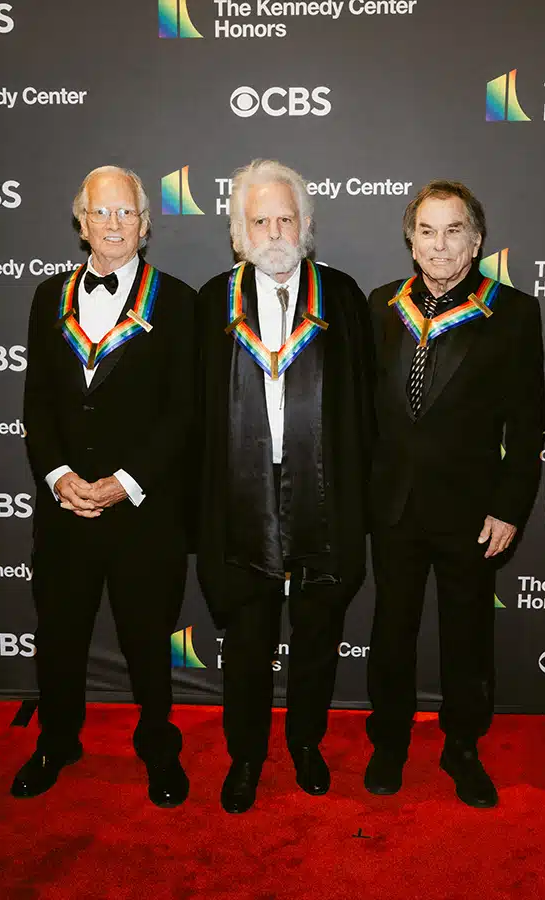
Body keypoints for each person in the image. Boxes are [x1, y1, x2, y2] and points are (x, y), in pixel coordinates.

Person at [191, 159, 377, 814]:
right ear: (238, 232)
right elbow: (195, 417)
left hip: (325, 493)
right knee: (247, 639)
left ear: (306, 224)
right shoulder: (212, 302)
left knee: (319, 631)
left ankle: (305, 743)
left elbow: (366, 410)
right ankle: (246, 755)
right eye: (260, 220)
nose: (274, 232)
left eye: (286, 218)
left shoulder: (343, 297)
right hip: (241, 495)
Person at [13, 165, 198, 808]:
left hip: (144, 512)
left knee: (148, 640)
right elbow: (38, 402)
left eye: (126, 213)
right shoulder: (48, 297)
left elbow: (184, 412)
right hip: (65, 509)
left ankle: (158, 746)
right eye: (101, 211)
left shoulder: (178, 301)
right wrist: (59, 476)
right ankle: (56, 741)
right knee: (59, 636)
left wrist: (125, 482)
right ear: (81, 221)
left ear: (144, 225)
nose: (113, 224)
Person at [362, 180, 545, 808]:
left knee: (467, 637)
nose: (439, 245)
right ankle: (389, 741)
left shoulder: (512, 312)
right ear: (411, 240)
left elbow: (528, 425)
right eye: (427, 231)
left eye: (453, 231)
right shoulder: (381, 305)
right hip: (393, 506)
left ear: (476, 239)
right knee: (391, 630)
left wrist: (510, 506)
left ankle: (462, 747)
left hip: (472, 512)